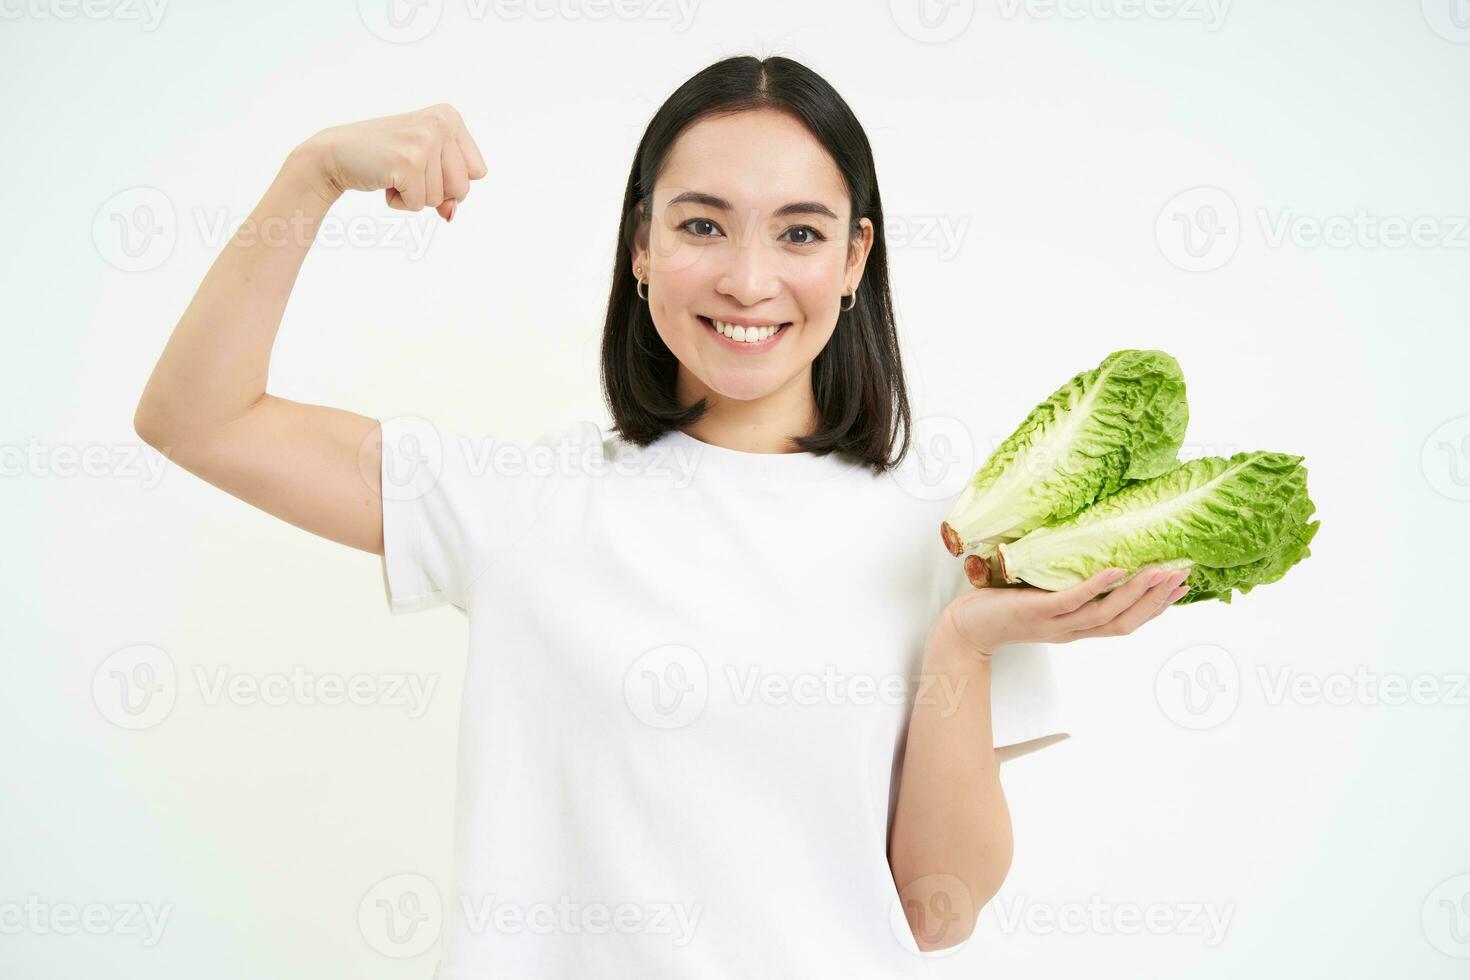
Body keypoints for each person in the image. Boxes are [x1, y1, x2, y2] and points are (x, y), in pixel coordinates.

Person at [134, 54, 1191, 980]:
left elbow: (934, 911)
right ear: (639, 246)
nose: (748, 278)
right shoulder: (522, 504)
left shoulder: (952, 545)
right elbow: (199, 417)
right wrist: (314, 170)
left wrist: (960, 642)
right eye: (700, 225)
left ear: (855, 260)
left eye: (801, 232)